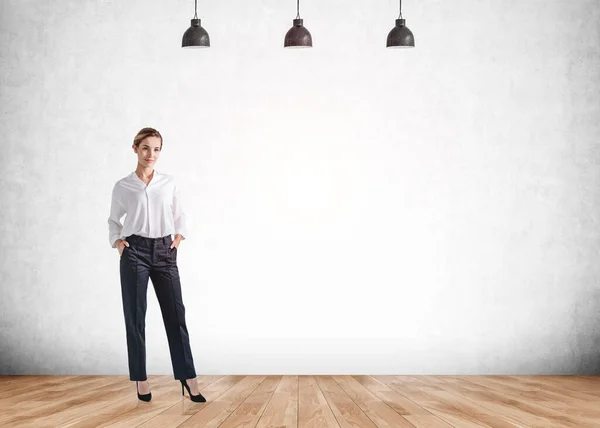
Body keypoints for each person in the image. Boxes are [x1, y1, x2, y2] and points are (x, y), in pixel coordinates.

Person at [107, 127, 206, 403]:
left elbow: (179, 213)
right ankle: (140, 378)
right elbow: (114, 220)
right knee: (135, 318)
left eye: (157, 149)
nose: (152, 154)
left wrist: (179, 236)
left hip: (164, 251)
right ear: (135, 149)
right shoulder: (123, 186)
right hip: (134, 251)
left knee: (176, 315)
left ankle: (188, 376)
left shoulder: (169, 183)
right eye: (146, 148)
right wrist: (118, 242)